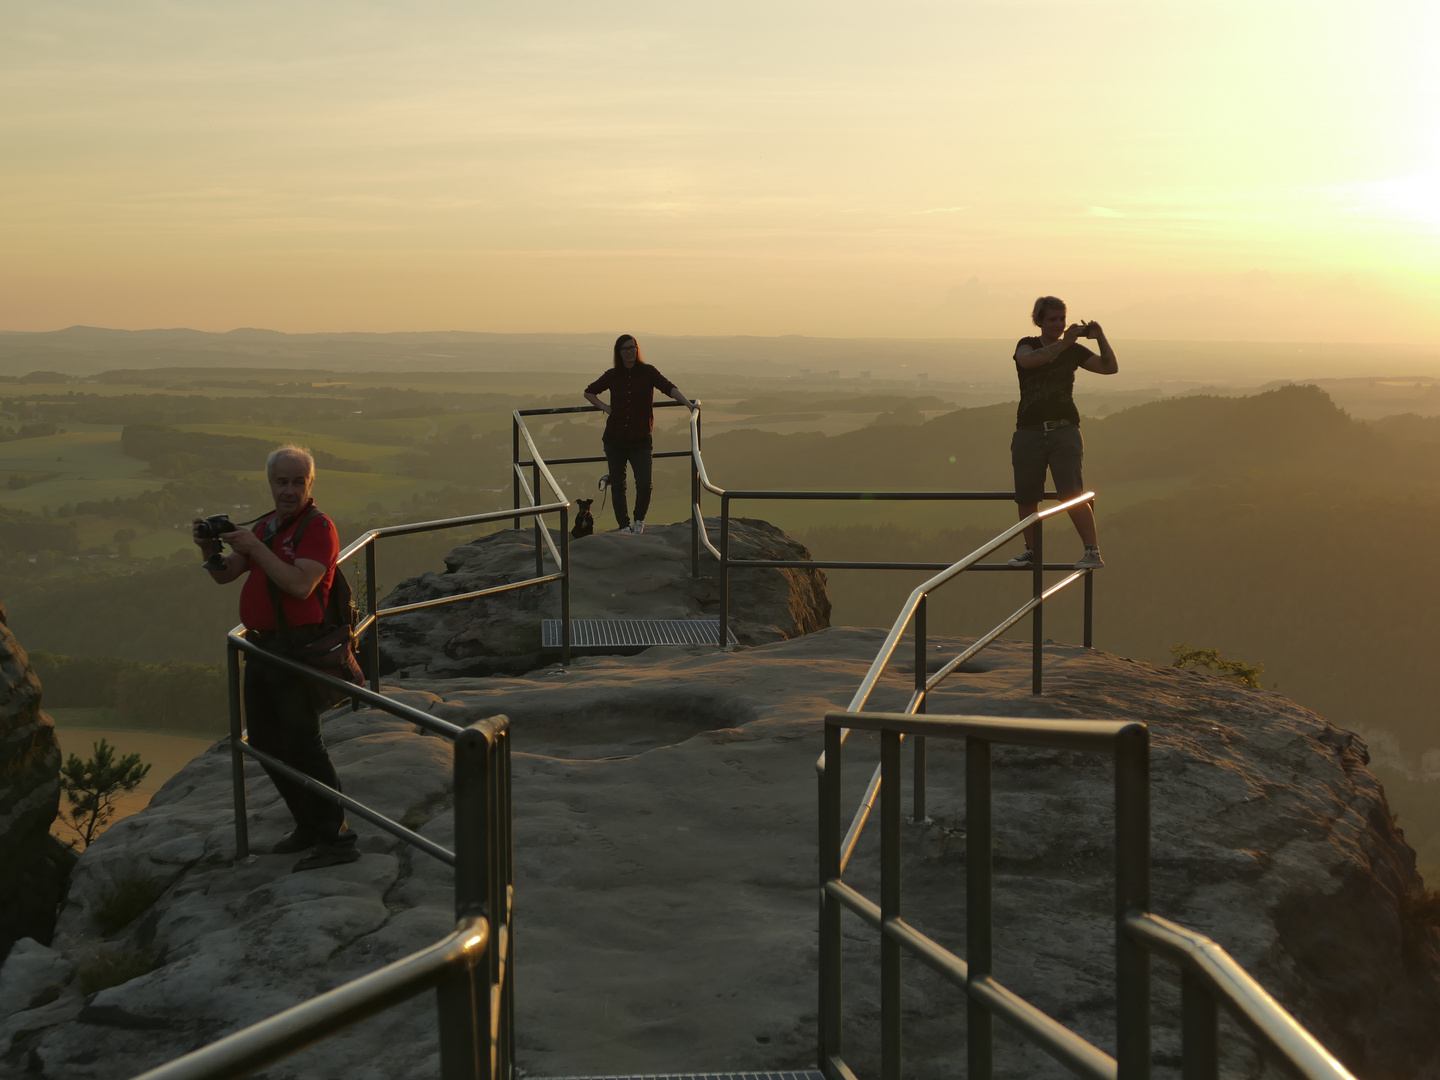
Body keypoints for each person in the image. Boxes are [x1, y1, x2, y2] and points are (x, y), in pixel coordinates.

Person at [193, 444, 360, 873]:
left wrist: (255, 546)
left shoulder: (317, 527)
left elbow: (300, 585)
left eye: (296, 482)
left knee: (304, 744)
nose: (288, 490)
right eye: (280, 481)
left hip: (297, 650)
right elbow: (225, 575)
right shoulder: (267, 526)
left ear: (310, 484)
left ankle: (337, 838)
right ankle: (307, 825)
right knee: (266, 743)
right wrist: (208, 549)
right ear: (270, 483)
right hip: (262, 648)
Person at [1006, 296, 1118, 570]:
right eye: (1053, 319)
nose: (1058, 324)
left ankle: (1092, 552)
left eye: (1062, 319)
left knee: (1072, 493)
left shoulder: (1073, 350)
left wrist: (1101, 337)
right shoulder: (1028, 344)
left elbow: (1109, 367)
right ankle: (1032, 551)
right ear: (1040, 321)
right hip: (1029, 431)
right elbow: (1027, 362)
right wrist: (1065, 343)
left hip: (1064, 430)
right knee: (1027, 495)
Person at [583, 334, 696, 534]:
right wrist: (605, 407)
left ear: (637, 349)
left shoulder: (648, 372)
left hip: (641, 439)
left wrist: (688, 404)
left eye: (632, 347)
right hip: (615, 439)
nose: (629, 351)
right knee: (618, 485)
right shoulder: (612, 375)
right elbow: (589, 392)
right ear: (619, 352)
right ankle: (624, 526)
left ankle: (638, 521)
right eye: (625, 348)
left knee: (645, 484)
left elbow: (669, 388)